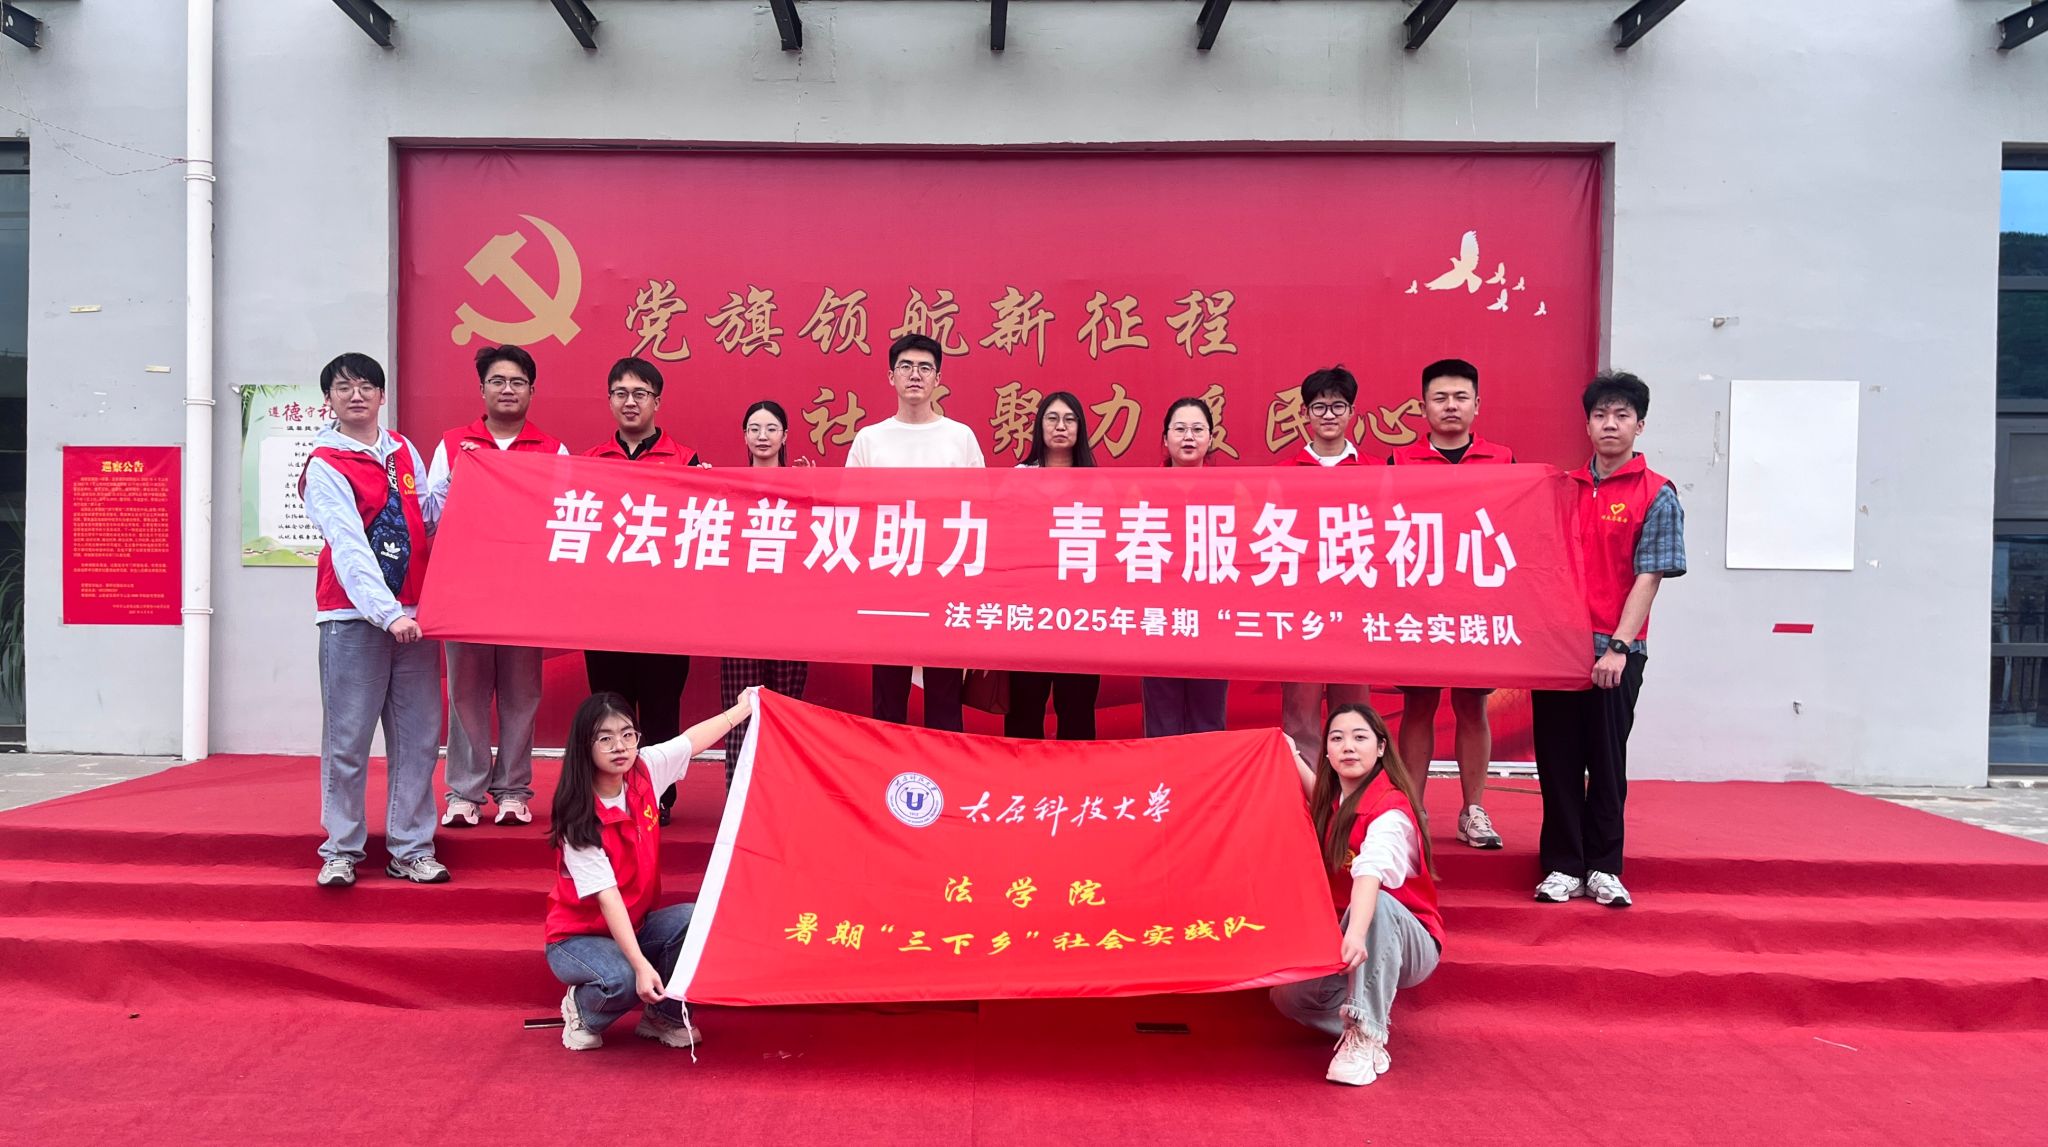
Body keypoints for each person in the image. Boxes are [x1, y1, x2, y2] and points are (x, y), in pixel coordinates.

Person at [1531, 372, 1685, 908]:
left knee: (1606, 760)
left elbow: (1650, 576)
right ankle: (1562, 866)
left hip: (1616, 649)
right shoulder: (1561, 489)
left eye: (1622, 416)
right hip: (1557, 649)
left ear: (1640, 425)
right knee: (1557, 761)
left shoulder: (1657, 493)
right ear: (1587, 424)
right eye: (1600, 415)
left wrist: (1618, 646)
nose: (1610, 425)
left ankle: (1603, 867)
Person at [300, 352, 448, 888]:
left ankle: (411, 848)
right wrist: (387, 614)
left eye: (366, 386)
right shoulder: (325, 464)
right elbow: (348, 545)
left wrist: (468, 481)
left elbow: (424, 517)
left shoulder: (403, 450)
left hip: (415, 617)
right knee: (349, 740)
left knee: (418, 740)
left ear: (382, 396)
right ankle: (341, 849)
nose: (356, 395)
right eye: (344, 387)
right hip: (353, 618)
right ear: (329, 400)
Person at [545, 687, 758, 1051]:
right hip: (577, 938)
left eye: (627, 734)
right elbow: (608, 897)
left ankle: (664, 1017)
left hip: (637, 924)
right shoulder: (577, 817)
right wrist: (642, 965)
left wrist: (744, 709)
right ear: (585, 745)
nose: (620, 747)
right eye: (605, 738)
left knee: (697, 921)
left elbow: (691, 741)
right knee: (623, 978)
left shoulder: (644, 768)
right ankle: (582, 1008)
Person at [428, 343, 569, 829]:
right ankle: (463, 792)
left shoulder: (552, 450)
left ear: (531, 390)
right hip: (464, 591)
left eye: (517, 382)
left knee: (521, 694)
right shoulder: (452, 446)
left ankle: (513, 789)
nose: (507, 390)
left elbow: (564, 517)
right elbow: (429, 516)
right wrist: (458, 477)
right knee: (466, 695)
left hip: (524, 593)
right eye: (498, 381)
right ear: (482, 389)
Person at [1271, 704, 1442, 1087]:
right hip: (1350, 933)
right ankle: (1361, 1016)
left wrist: (1356, 933)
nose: (1348, 746)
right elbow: (1317, 794)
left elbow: (1370, 874)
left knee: (1377, 905)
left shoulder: (1391, 811)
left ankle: (1366, 1035)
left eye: (1359, 737)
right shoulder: (1336, 803)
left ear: (1381, 748)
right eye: (1337, 738)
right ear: (1327, 753)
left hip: (1408, 940)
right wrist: (1288, 751)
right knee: (1290, 998)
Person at [1388, 358, 1518, 850]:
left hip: (1477, 603)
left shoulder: (1504, 460)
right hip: (1419, 602)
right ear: (1423, 406)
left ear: (1477, 405)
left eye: (1460, 397)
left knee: (1471, 703)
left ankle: (1473, 810)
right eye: (1439, 398)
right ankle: (1414, 809)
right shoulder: (1400, 461)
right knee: (1418, 704)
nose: (1450, 406)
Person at [582, 356, 708, 825]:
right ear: (610, 400)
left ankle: (658, 798)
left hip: (664, 613)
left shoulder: (686, 460)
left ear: (657, 401)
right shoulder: (590, 461)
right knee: (608, 708)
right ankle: (609, 795)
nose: (630, 402)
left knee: (660, 709)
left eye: (640, 394)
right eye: (621, 393)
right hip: (605, 610)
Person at [846, 333, 985, 731]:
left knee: (944, 695)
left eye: (925, 368)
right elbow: (852, 512)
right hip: (888, 582)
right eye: (906, 366)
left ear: (938, 379)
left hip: (944, 579)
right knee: (889, 695)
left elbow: (980, 510)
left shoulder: (960, 437)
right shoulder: (870, 439)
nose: (915, 375)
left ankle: (946, 765)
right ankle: (887, 765)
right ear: (891, 376)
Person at [1278, 366, 1373, 764]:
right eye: (1319, 407)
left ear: (1352, 412)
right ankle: (1305, 790)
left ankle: (1353, 788)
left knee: (1354, 710)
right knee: (1300, 712)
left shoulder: (1375, 472)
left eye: (1338, 406)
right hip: (1302, 609)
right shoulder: (1283, 474)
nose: (1329, 415)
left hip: (1356, 607)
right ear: (1305, 413)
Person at [718, 401, 811, 785]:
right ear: (744, 436)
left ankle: (779, 795)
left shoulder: (803, 487)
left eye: (771, 428)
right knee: (740, 711)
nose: (762, 436)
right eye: (754, 429)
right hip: (740, 617)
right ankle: (738, 797)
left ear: (785, 436)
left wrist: (813, 492)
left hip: (791, 616)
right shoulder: (726, 488)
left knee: (785, 710)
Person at [1007, 392, 1102, 741]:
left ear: (1080, 428)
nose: (1061, 426)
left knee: (1077, 710)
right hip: (1028, 615)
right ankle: (1019, 775)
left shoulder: (1098, 484)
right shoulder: (1018, 478)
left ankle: (1076, 776)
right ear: (1039, 426)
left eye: (1069, 419)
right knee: (1024, 710)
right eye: (1052, 418)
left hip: (1080, 617)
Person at [1142, 397, 1229, 737]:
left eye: (1197, 429)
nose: (1188, 437)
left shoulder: (1232, 491)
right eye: (1179, 429)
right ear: (1165, 439)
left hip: (1212, 620)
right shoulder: (1142, 490)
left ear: (1211, 437)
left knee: (1208, 719)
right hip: (1159, 618)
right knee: (1162, 718)